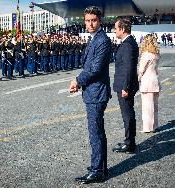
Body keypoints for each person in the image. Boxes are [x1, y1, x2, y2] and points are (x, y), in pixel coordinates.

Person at [69, 6, 112, 184]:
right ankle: (100, 166)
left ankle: (97, 171)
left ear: (100, 21)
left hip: (96, 93)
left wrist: (77, 81)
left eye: (93, 20)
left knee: (95, 133)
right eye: (87, 20)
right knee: (97, 131)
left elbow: (94, 69)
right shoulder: (95, 39)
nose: (90, 23)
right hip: (93, 91)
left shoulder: (102, 40)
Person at [112, 17, 139, 153]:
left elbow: (128, 67)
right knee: (128, 113)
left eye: (116, 28)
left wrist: (125, 87)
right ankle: (130, 140)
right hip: (126, 84)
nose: (114, 31)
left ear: (122, 29)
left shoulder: (127, 44)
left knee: (127, 114)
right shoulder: (128, 42)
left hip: (125, 85)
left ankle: (129, 143)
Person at [138, 34, 161, 133]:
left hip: (147, 82)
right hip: (155, 80)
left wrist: (138, 78)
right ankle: (154, 126)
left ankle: (147, 128)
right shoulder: (156, 54)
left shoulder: (146, 54)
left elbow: (141, 69)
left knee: (147, 106)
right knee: (154, 106)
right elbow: (156, 69)